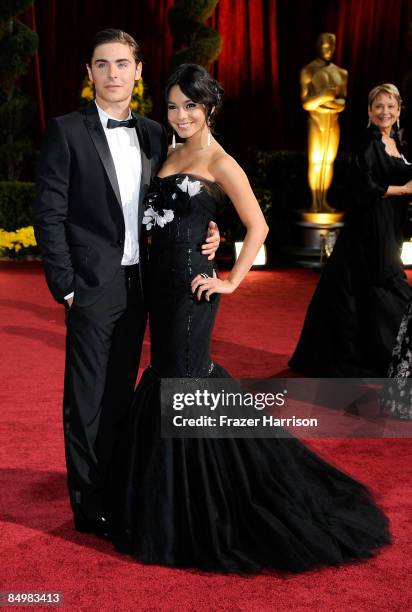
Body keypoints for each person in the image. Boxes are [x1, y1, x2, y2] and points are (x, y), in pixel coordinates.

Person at [108, 64, 391, 573]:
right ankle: (171, 503)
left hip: (194, 292)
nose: (180, 114)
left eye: (190, 106)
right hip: (160, 289)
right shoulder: (169, 153)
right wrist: (207, 234)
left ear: (208, 107)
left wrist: (231, 279)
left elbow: (258, 225)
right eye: (172, 106)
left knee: (186, 380)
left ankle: (199, 512)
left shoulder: (222, 162)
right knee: (170, 378)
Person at [33, 30, 219, 539]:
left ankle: (117, 490)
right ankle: (89, 506)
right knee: (87, 399)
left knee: (122, 396)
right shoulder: (66, 131)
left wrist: (210, 230)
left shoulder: (159, 134)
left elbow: (184, 197)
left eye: (122, 64)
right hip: (93, 286)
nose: (113, 73)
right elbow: (48, 214)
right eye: (101, 64)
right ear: (89, 73)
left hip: (147, 286)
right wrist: (67, 287)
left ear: (138, 71)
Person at [290, 83, 412, 377]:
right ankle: (393, 357)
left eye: (391, 106)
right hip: (368, 227)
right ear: (370, 111)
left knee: (360, 286)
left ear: (399, 110)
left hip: (386, 225)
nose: (386, 112)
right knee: (383, 282)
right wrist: (403, 190)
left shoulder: (396, 142)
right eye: (379, 106)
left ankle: (378, 353)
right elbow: (363, 188)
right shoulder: (369, 142)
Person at [300, 32, 348, 213]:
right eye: (326, 46)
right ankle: (314, 201)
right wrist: (324, 96)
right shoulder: (308, 71)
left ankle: (324, 200)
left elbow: (342, 102)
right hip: (316, 121)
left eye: (332, 46)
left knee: (328, 162)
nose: (330, 50)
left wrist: (325, 102)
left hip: (333, 123)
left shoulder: (341, 73)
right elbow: (306, 103)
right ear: (318, 46)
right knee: (316, 162)